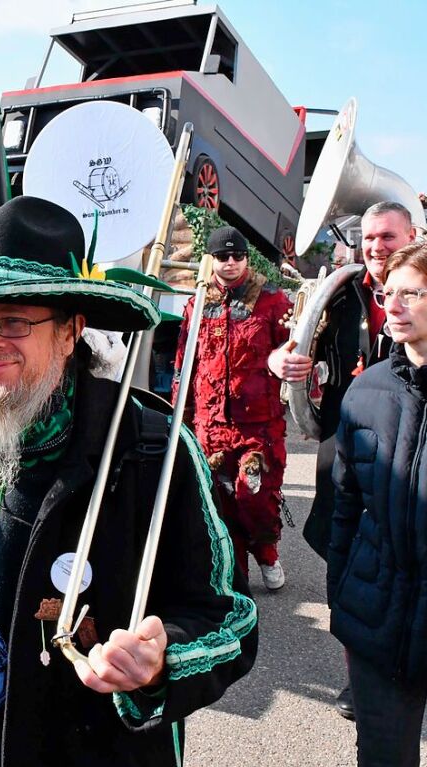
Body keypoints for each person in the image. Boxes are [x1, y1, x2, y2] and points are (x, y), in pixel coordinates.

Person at [0, 196, 257, 766]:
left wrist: (160, 659)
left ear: (71, 332)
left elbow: (231, 616)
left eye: (14, 321)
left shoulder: (149, 451)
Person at [283, 201, 416, 717]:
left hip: (412, 454)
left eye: (389, 237)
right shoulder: (339, 294)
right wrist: (284, 363)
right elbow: (297, 348)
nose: (378, 247)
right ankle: (361, 678)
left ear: (412, 236)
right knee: (349, 571)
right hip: (347, 452)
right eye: (370, 239)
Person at [329, 241, 427, 766]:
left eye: (412, 292)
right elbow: (344, 504)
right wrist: (341, 593)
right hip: (377, 620)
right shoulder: (365, 392)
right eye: (390, 292)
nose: (394, 304)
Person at [172, 226, 299, 590]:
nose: (230, 263)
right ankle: (235, 572)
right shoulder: (197, 303)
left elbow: (295, 354)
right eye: (222, 257)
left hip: (258, 424)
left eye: (237, 256)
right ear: (211, 260)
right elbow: (184, 362)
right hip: (209, 424)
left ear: (245, 258)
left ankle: (267, 553)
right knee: (219, 501)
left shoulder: (274, 301)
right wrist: (178, 415)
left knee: (254, 495)